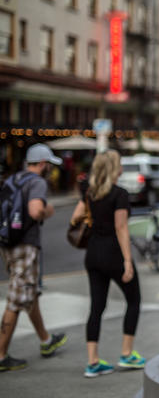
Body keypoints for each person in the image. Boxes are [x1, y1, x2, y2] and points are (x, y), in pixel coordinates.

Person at [70, 150, 145, 378]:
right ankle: (126, 354)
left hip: (92, 254)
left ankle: (93, 362)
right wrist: (128, 261)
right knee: (134, 300)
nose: (122, 166)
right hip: (113, 254)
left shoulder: (89, 192)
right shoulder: (119, 194)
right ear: (114, 168)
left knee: (96, 307)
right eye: (120, 163)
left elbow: (74, 218)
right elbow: (121, 228)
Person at [0, 143, 67, 371]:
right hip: (26, 245)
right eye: (49, 165)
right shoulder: (37, 182)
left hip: (9, 243)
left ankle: (46, 340)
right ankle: (1, 355)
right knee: (17, 298)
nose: (50, 169)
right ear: (42, 164)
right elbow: (35, 210)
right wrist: (48, 210)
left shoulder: (14, 179)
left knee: (30, 294)